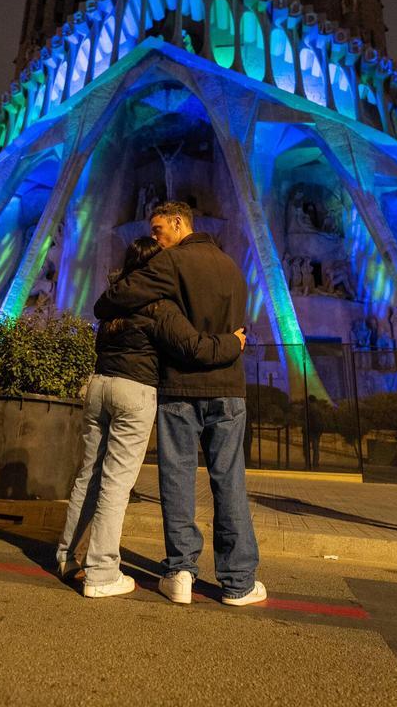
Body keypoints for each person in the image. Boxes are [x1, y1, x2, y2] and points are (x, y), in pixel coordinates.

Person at [94, 202, 265, 607]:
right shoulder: (232, 267)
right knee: (230, 482)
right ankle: (239, 582)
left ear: (179, 222)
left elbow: (113, 298)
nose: (155, 237)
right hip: (229, 388)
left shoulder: (171, 264)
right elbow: (239, 329)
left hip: (183, 389)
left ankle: (181, 571)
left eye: (158, 229)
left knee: (178, 480)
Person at [58, 237, 246, 598]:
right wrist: (233, 342)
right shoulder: (160, 308)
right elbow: (194, 347)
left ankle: (69, 556)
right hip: (134, 391)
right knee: (116, 483)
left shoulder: (114, 304)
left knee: (89, 476)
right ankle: (100, 572)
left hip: (98, 386)